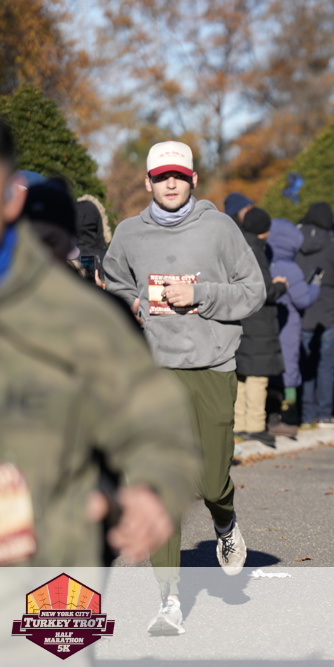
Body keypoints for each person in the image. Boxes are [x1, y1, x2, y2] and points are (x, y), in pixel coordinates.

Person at [0, 118, 199, 573]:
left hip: (64, 546)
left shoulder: (91, 317)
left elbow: (153, 420)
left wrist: (146, 490)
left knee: (57, 621)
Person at [103, 140, 266, 635]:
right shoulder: (129, 233)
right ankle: (168, 599)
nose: (170, 184)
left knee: (212, 481)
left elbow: (253, 291)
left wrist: (201, 294)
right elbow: (113, 283)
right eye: (161, 177)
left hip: (212, 365)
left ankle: (225, 521)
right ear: (148, 183)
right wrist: (133, 304)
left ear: (192, 180)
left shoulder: (220, 228)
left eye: (178, 175)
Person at [295, 202, 334, 427]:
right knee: (326, 367)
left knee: (305, 366)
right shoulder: (333, 249)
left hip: (303, 313)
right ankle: (324, 414)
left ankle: (305, 415)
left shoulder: (295, 245)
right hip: (329, 313)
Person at [234, 207, 288, 446]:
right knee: (257, 376)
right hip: (259, 322)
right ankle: (255, 426)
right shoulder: (256, 250)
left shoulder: (236, 245)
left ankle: (238, 423)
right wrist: (281, 286)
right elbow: (264, 290)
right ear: (264, 230)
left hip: (240, 318)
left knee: (241, 374)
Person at [267, 217, 319, 436]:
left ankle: (265, 416)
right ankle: (284, 417)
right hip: (288, 326)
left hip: (267, 326)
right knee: (287, 371)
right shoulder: (290, 268)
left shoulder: (262, 262)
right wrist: (315, 285)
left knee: (267, 372)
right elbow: (303, 299)